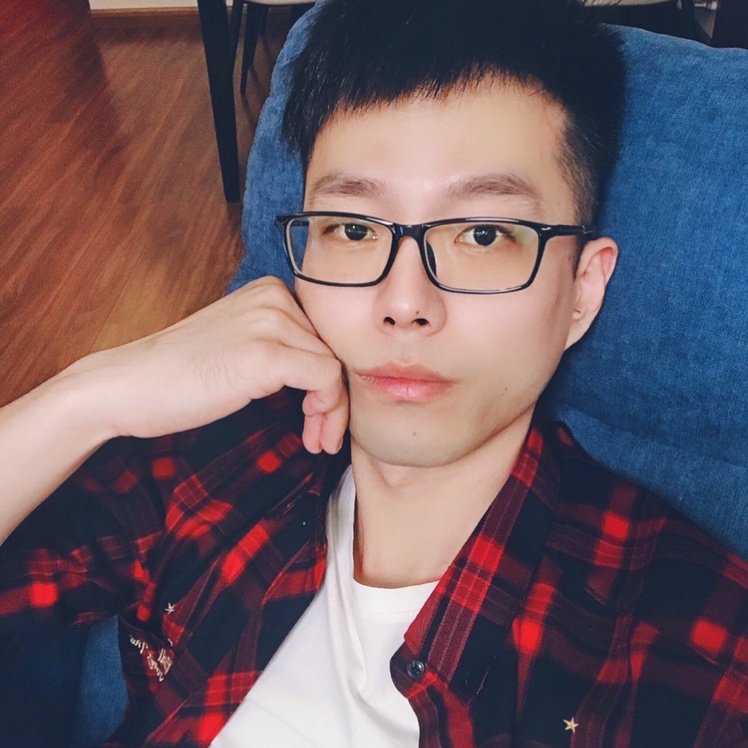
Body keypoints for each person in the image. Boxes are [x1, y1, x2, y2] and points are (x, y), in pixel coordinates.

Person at [1, 0, 746, 745]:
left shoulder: (691, 649)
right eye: (354, 229)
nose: (404, 304)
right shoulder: (221, 457)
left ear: (583, 290)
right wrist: (89, 397)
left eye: (484, 235)